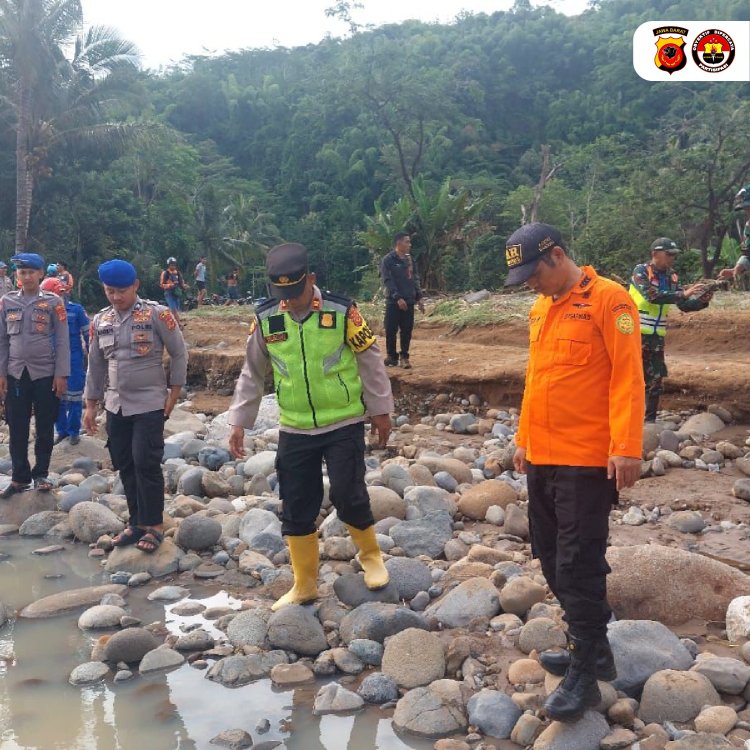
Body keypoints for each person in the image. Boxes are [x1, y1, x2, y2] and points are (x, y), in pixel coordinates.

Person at [506, 223, 644, 722]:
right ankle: (594, 647)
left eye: (532, 274)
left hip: (588, 458)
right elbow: (536, 379)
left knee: (578, 562)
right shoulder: (541, 308)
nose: (529, 284)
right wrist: (523, 440)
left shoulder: (611, 301)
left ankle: (585, 675)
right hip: (542, 454)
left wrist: (626, 447)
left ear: (557, 255)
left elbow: (629, 375)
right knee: (546, 553)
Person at [227, 242, 394, 611]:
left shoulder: (342, 310)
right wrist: (239, 421)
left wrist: (380, 409)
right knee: (297, 505)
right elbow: (252, 372)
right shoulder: (267, 318)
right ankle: (304, 584)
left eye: (296, 292)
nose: (291, 302)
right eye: (282, 295)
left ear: (311, 280)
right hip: (295, 427)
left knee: (349, 494)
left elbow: (370, 359)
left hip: (343, 420)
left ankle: (370, 557)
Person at [84, 259, 188, 552]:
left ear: (135, 286)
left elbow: (179, 353)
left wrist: (174, 392)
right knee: (125, 464)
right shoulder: (101, 320)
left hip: (149, 403)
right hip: (116, 404)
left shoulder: (157, 314)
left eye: (121, 291)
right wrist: (91, 405)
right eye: (110, 291)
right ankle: (136, 523)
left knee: (146, 462)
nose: (116, 297)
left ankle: (154, 525)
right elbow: (95, 364)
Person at [0, 253, 70, 497]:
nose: (27, 276)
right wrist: (1, 373)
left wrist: (61, 374)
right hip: (16, 373)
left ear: (41, 274)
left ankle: (41, 474)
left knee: (44, 425)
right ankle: (19, 477)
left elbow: (62, 340)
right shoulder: (6, 302)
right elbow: (2, 341)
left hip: (45, 373)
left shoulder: (54, 302)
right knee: (16, 425)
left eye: (31, 272)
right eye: (22, 272)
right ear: (16, 275)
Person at [629, 238, 712, 422]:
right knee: (631, 376)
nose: (672, 259)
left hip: (656, 336)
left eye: (674, 255)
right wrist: (682, 293)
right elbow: (651, 296)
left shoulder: (672, 276)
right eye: (669, 255)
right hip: (634, 334)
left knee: (656, 378)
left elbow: (683, 305)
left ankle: (649, 420)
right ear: (655, 254)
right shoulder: (641, 271)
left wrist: (702, 301)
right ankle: (627, 416)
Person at [41, 278, 89, 446]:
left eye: (63, 291)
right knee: (57, 397)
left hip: (73, 359)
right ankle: (61, 431)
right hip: (49, 361)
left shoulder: (76, 310)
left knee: (75, 397)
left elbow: (87, 333)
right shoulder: (41, 312)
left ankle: (74, 431)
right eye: (57, 292)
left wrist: (93, 357)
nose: (62, 294)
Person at [380, 232, 424, 368]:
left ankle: (404, 356)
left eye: (409, 242)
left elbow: (414, 279)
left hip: (409, 300)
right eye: (407, 242)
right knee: (390, 329)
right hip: (393, 302)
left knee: (406, 330)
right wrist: (397, 297)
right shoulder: (388, 260)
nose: (409, 245)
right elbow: (387, 280)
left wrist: (419, 297)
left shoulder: (410, 260)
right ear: (398, 243)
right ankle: (392, 356)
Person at [718, 184, 750, 288]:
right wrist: (735, 270)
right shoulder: (747, 227)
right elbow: (747, 254)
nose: (747, 211)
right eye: (746, 208)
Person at [159, 257, 187, 326]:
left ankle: (169, 323)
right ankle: (179, 324)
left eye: (174, 264)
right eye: (171, 264)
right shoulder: (165, 273)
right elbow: (161, 284)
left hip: (176, 293)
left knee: (175, 310)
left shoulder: (178, 273)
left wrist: (184, 286)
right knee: (173, 309)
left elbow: (181, 283)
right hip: (169, 293)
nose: (173, 266)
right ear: (169, 265)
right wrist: (169, 285)